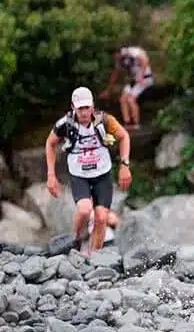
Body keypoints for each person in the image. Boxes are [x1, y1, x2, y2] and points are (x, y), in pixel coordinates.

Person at [45, 86, 132, 254]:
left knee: (101, 217)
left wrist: (124, 165)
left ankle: (94, 257)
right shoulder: (65, 124)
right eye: (80, 108)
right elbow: (50, 143)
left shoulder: (105, 121)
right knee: (84, 209)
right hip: (79, 174)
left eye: (87, 107)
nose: (84, 112)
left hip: (102, 173)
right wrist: (51, 175)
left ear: (92, 106)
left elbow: (124, 136)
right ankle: (74, 239)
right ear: (73, 107)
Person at [100, 46, 154, 131]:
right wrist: (108, 90)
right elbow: (115, 74)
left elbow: (145, 60)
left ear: (118, 53)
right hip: (134, 80)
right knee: (123, 99)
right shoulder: (119, 60)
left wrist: (141, 74)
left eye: (115, 56)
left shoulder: (131, 52)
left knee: (131, 99)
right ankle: (127, 122)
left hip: (145, 78)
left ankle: (136, 123)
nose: (115, 59)